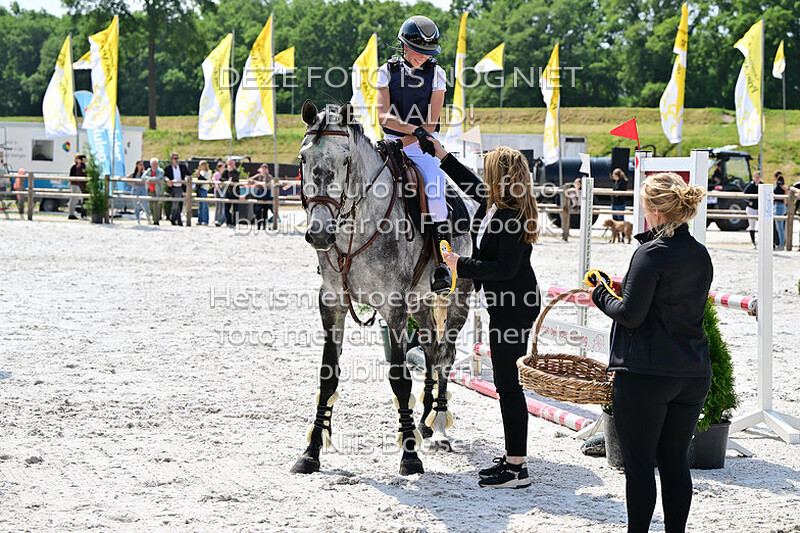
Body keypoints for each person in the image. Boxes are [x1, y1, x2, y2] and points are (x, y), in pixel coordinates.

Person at [591, 172, 712, 533]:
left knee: (640, 465)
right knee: (675, 462)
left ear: (656, 212)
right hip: (692, 372)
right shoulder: (700, 253)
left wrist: (599, 294)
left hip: (647, 373)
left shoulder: (650, 253)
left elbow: (631, 315)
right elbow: (666, 302)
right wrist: (624, 287)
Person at [435, 141, 541, 489]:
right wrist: (441, 154)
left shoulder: (513, 217)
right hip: (504, 304)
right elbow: (466, 182)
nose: (482, 177)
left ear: (500, 177)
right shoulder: (493, 204)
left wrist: (458, 264)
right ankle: (513, 458)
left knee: (509, 386)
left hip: (515, 306)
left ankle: (516, 469)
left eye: (488, 172)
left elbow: (505, 269)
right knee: (505, 384)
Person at [376, 15, 452, 294]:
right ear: (403, 46)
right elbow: (384, 116)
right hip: (389, 143)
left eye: (428, 53)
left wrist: (415, 136)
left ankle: (442, 264)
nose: (424, 57)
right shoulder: (385, 71)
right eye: (419, 51)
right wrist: (410, 130)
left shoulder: (438, 74)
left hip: (421, 147)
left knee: (435, 190)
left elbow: (431, 122)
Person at [164, 152, 189, 226]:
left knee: (179, 204)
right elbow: (164, 176)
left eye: (177, 158)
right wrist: (167, 180)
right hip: (173, 187)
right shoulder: (168, 168)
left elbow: (188, 173)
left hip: (180, 187)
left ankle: (176, 219)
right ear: (171, 159)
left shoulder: (182, 166)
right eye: (175, 158)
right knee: (175, 204)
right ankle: (175, 219)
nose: (176, 160)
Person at [249, 163, 273, 230]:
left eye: (265, 169)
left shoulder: (269, 176)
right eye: (263, 168)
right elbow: (250, 179)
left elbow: (268, 184)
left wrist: (265, 178)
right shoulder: (258, 176)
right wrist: (256, 182)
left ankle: (264, 225)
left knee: (265, 210)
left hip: (267, 194)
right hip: (259, 193)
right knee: (258, 210)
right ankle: (258, 225)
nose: (264, 170)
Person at [128, 160, 151, 225]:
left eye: (142, 165)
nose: (141, 166)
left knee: (145, 205)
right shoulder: (134, 173)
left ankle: (148, 218)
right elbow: (127, 177)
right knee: (136, 206)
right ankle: (138, 219)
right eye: (140, 165)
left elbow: (148, 178)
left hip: (143, 190)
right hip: (135, 190)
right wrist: (132, 184)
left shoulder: (144, 173)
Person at [743, 171, 761, 248]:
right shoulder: (750, 186)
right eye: (756, 177)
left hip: (760, 208)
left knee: (761, 226)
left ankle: (761, 241)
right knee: (752, 225)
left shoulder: (762, 185)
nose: (757, 179)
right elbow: (744, 197)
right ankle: (753, 242)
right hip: (751, 208)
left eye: (758, 177)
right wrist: (748, 202)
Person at [221, 158, 240, 227]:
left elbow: (236, 179)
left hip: (235, 192)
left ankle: (234, 223)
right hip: (227, 192)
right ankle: (228, 222)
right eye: (229, 164)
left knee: (236, 209)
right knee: (226, 209)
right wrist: (226, 181)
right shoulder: (225, 171)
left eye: (231, 164)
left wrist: (231, 172)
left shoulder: (236, 171)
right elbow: (221, 179)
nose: (230, 165)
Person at [145, 158, 165, 225]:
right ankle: (153, 219)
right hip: (150, 190)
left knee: (156, 206)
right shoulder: (148, 170)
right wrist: (149, 179)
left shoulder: (160, 171)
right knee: (151, 206)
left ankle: (156, 221)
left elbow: (158, 177)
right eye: (153, 164)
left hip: (157, 191)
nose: (154, 165)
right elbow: (143, 176)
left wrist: (149, 179)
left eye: (155, 164)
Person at [68, 153, 87, 219]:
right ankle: (71, 214)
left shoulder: (80, 166)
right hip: (75, 184)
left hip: (79, 184)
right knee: (73, 199)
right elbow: (71, 175)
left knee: (77, 199)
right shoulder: (74, 167)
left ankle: (77, 213)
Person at [773, 171, 788, 249]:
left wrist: (785, 200)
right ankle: (781, 243)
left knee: (780, 227)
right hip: (779, 205)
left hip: (779, 206)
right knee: (779, 227)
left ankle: (782, 244)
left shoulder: (779, 183)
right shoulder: (781, 182)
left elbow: (786, 189)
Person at [195, 160, 212, 226]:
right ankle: (200, 219)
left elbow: (205, 179)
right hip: (199, 188)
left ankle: (205, 220)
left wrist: (199, 175)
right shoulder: (201, 172)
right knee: (200, 205)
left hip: (204, 188)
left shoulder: (208, 172)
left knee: (204, 205)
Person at [212, 161, 226, 227]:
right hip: (217, 190)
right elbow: (214, 180)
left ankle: (221, 219)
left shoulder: (225, 174)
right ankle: (216, 219)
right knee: (218, 205)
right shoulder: (216, 174)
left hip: (223, 190)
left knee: (222, 205)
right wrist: (218, 183)